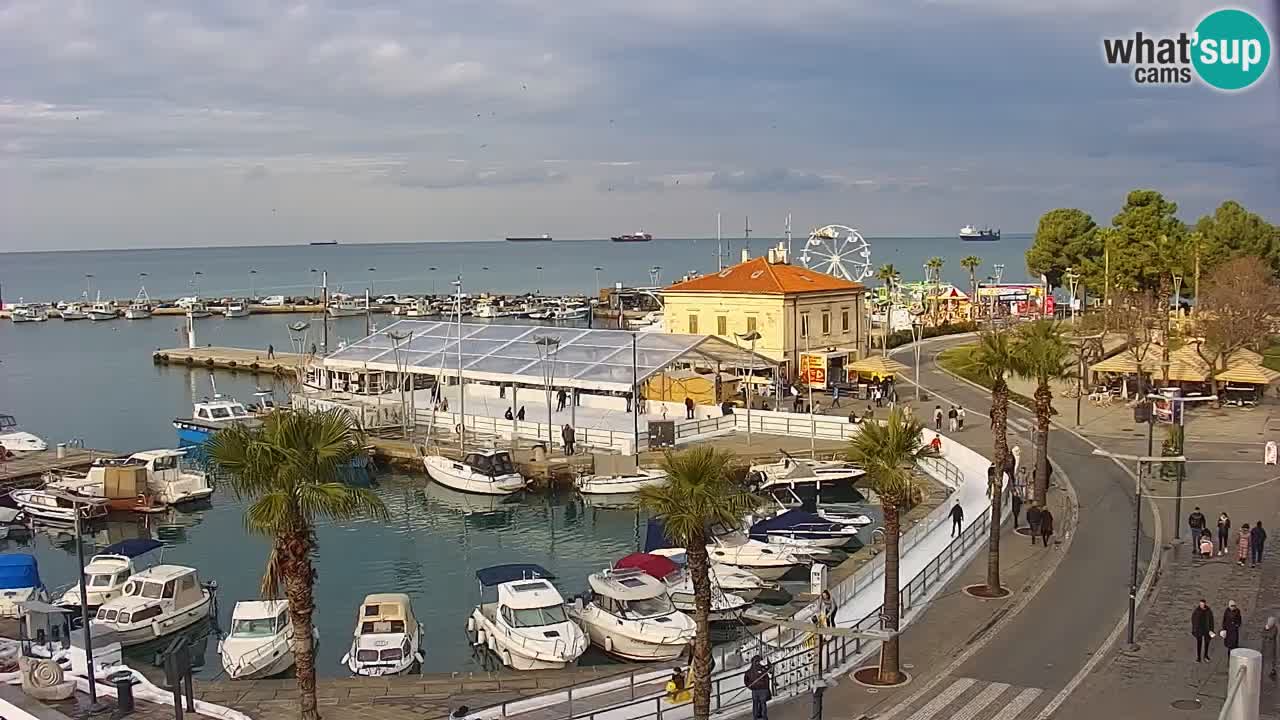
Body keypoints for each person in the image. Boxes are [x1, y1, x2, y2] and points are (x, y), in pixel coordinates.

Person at [744, 656, 772, 720]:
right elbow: (770, 669)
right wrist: (768, 661)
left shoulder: (749, 671)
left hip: (755, 690)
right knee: (763, 704)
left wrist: (750, 686)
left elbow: (746, 681)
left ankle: (755, 717)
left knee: (755, 704)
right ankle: (764, 717)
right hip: (763, 689)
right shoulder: (763, 669)